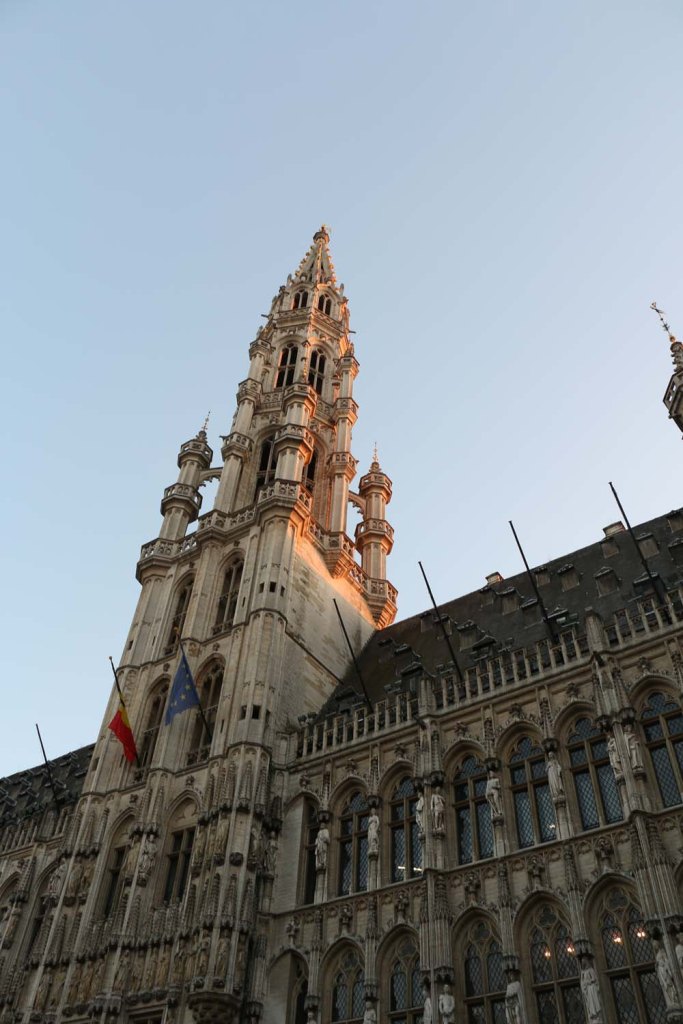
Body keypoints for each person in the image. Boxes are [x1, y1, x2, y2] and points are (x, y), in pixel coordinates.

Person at [580, 958, 602, 1022]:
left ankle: (596, 1016)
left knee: (594, 1002)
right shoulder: (582, 972)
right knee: (589, 1004)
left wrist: (589, 981)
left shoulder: (591, 970)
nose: (583, 963)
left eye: (584, 961)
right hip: (587, 990)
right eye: (582, 962)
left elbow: (594, 979)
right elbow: (582, 982)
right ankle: (592, 1015)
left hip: (592, 988)